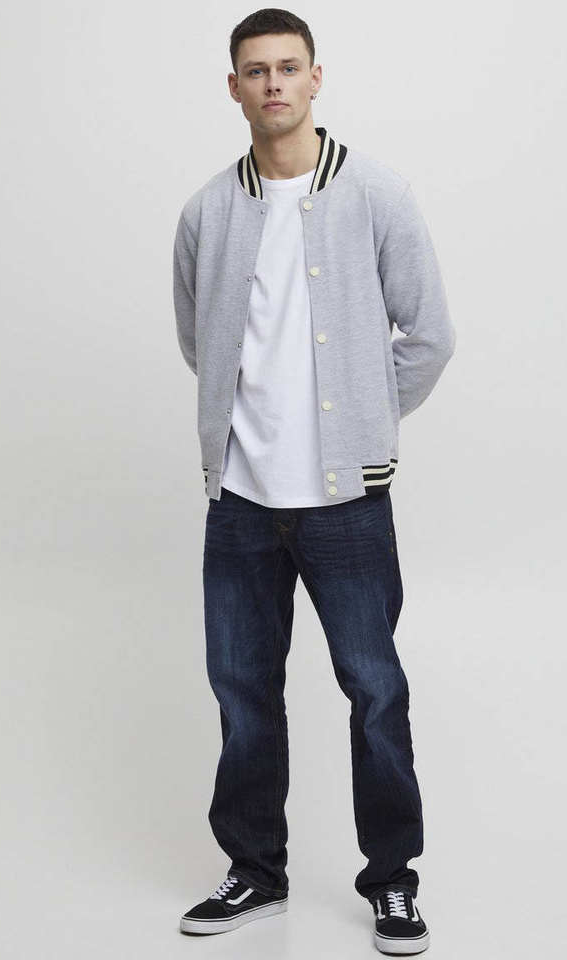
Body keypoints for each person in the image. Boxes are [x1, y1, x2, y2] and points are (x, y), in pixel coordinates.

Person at [173, 8, 455, 955]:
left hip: (345, 503)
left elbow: (429, 336)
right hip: (241, 501)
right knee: (242, 693)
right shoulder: (207, 212)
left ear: (316, 78)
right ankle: (255, 873)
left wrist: (364, 423)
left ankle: (392, 882)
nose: (273, 85)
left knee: (375, 692)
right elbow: (201, 342)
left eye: (288, 68)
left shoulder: (375, 192)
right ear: (234, 87)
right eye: (256, 71)